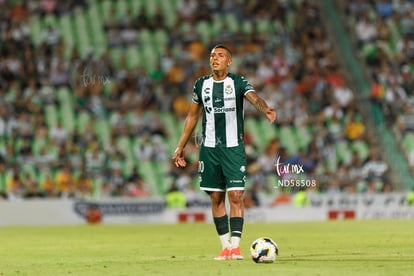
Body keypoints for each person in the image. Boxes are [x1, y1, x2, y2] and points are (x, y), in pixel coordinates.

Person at [172, 45, 277, 260]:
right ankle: (225, 247)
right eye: (212, 56)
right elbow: (192, 117)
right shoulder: (201, 84)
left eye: (220, 56)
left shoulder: (237, 82)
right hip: (209, 149)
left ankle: (236, 247)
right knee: (216, 197)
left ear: (229, 61)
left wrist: (265, 108)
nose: (215, 59)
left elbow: (254, 97)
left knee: (236, 195)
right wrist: (180, 146)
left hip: (233, 148)